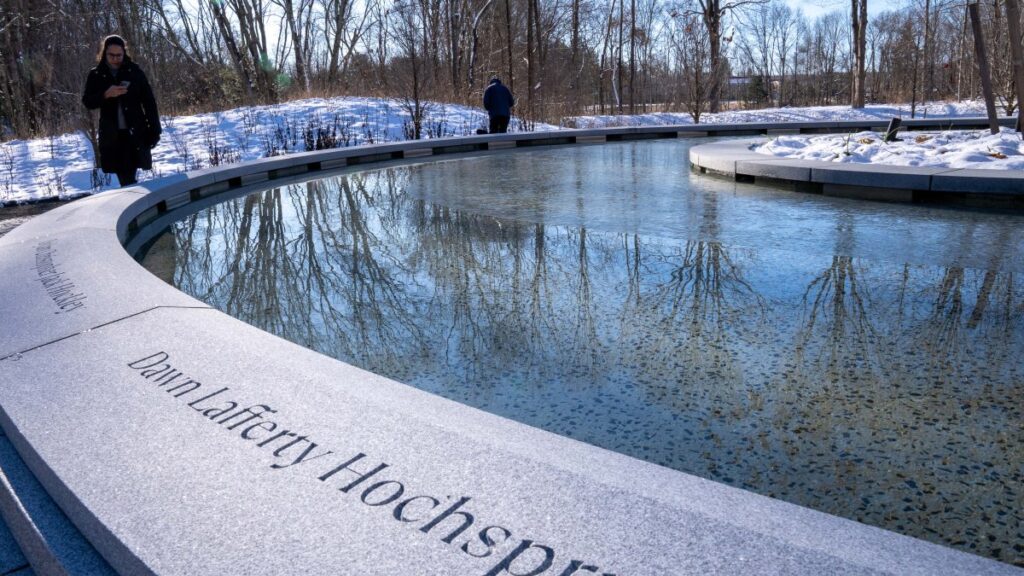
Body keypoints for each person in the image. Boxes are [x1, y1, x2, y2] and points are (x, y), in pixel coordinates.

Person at [82, 35, 161, 187]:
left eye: (119, 55)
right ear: (104, 53)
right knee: (125, 175)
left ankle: (138, 202)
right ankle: (136, 202)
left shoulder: (134, 71)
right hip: (113, 135)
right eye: (111, 55)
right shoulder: (96, 74)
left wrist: (155, 130)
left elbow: (149, 102)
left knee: (130, 175)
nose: (116, 59)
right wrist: (105, 94)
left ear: (124, 53)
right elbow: (88, 102)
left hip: (135, 131)